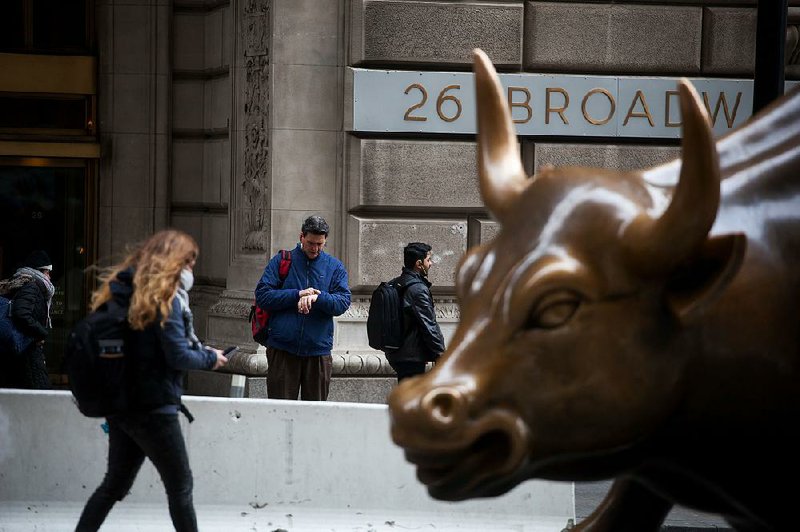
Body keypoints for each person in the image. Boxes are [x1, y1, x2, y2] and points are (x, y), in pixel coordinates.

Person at [76, 229, 227, 532]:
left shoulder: (127, 294)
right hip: (154, 409)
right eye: (189, 263)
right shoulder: (164, 302)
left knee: (113, 486)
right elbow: (178, 356)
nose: (191, 271)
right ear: (174, 263)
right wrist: (211, 358)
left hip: (122, 407)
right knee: (181, 487)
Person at [255, 215, 351, 400]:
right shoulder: (281, 261)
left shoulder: (334, 267)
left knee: (314, 416)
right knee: (280, 411)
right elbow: (263, 296)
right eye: (310, 243)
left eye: (320, 244)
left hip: (318, 352)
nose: (315, 249)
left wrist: (318, 297)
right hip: (282, 349)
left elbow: (342, 302)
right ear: (301, 237)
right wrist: (297, 294)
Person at [387, 242, 445, 382]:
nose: (430, 264)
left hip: (398, 353)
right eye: (428, 260)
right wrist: (441, 354)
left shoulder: (396, 282)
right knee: (410, 399)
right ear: (419, 264)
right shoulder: (418, 289)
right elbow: (429, 325)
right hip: (412, 357)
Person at [0, 250, 55, 389]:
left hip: (23, 346)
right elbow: (21, 313)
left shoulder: (31, 285)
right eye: (48, 271)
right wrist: (41, 332)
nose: (49, 275)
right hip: (27, 347)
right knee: (40, 392)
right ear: (40, 271)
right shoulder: (32, 286)